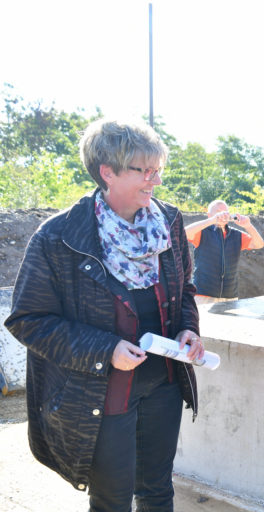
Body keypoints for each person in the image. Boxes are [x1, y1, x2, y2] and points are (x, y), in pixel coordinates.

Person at [4, 119, 204, 511]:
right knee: (111, 500)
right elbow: (28, 319)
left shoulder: (169, 222)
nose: (155, 181)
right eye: (144, 171)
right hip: (101, 391)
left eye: (157, 170)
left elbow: (186, 290)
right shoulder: (58, 236)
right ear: (106, 172)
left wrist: (189, 329)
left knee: (158, 491)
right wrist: (105, 349)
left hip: (162, 384)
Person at [185, 199, 264, 304]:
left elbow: (259, 244)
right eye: (218, 212)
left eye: (225, 212)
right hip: (203, 294)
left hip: (230, 295)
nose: (223, 215)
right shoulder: (202, 233)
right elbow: (184, 233)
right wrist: (212, 221)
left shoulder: (236, 235)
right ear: (209, 215)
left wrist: (248, 226)